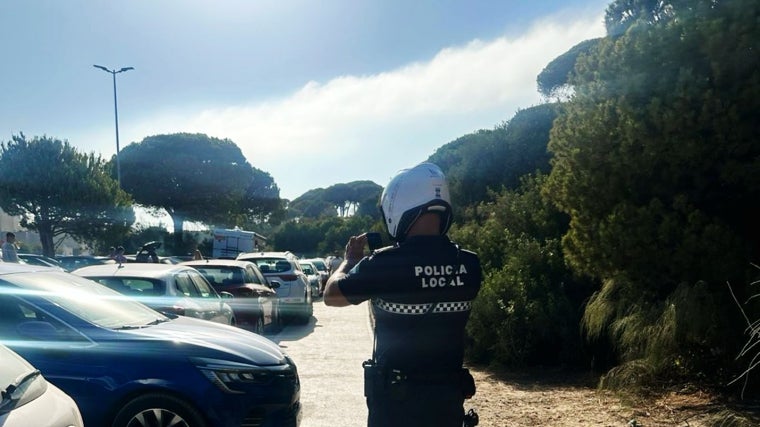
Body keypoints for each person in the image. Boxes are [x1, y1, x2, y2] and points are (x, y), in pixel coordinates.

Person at [323, 162, 482, 427]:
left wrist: (349, 262)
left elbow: (331, 295)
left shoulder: (384, 263)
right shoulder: (469, 264)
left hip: (395, 407)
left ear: (398, 207)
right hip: (447, 404)